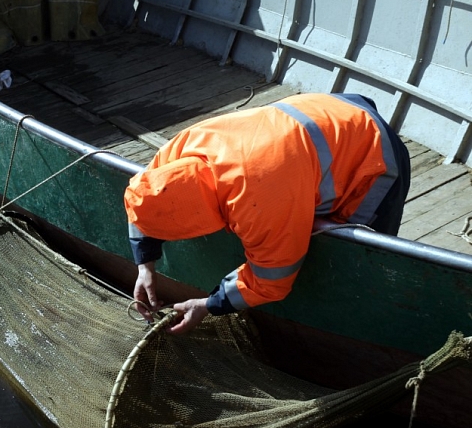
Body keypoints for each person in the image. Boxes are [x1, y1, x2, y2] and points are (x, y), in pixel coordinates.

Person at [123, 93, 411, 334]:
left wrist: (208, 305)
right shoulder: (181, 150)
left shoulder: (255, 203)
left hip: (374, 153)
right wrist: (144, 266)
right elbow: (145, 198)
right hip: (324, 108)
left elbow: (272, 280)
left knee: (358, 255)